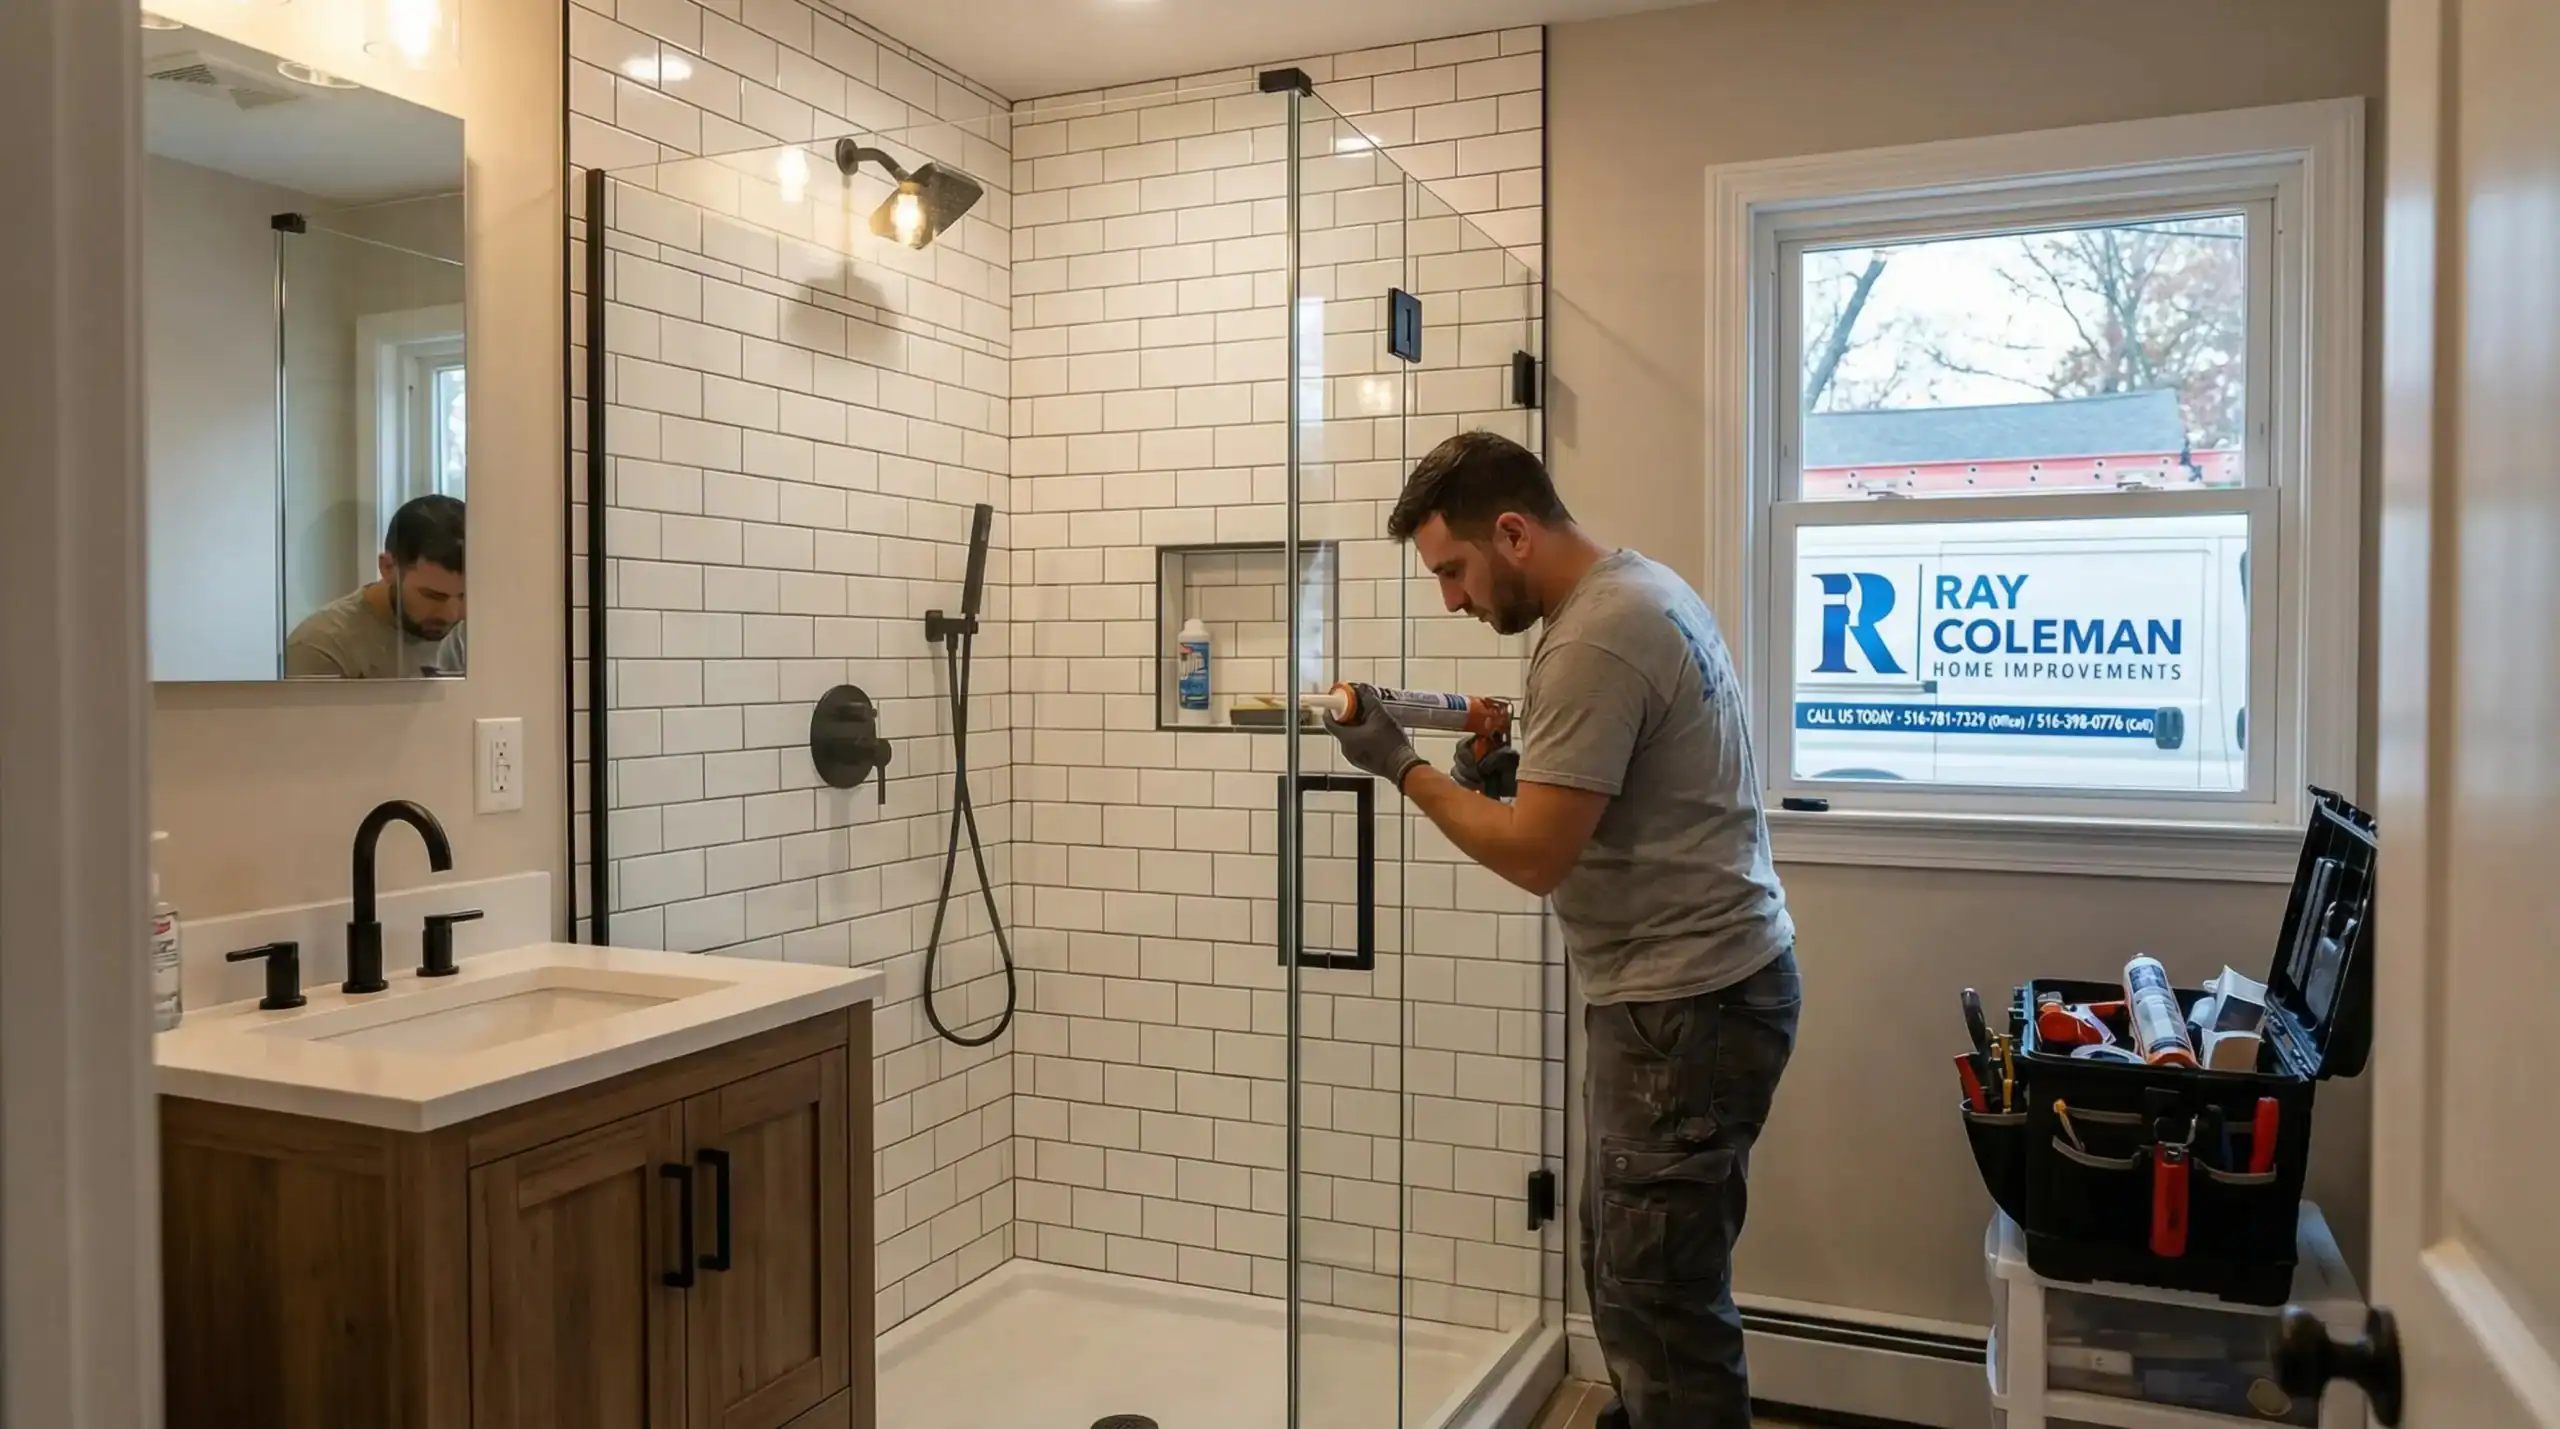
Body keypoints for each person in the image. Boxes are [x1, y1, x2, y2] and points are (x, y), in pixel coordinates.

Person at [1321, 431, 1798, 1429]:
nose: (1450, 599)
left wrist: (1400, 764)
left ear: (1512, 531)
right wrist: (1517, 772)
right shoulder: (1643, 590)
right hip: (1696, 992)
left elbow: (1537, 856)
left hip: (1685, 1003)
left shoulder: (1589, 637)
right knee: (1631, 1269)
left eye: (1453, 570)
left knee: (1657, 1300)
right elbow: (1608, 794)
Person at [286, 494, 468, 679]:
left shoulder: (477, 631)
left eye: (465, 596)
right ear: (388, 568)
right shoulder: (321, 646)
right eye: (433, 596)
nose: (452, 615)